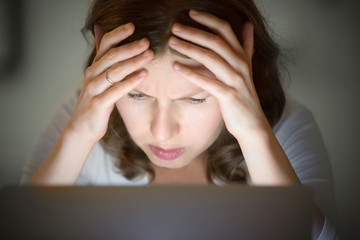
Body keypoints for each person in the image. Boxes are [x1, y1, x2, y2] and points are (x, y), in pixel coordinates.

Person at [21, 0, 338, 239]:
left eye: (194, 98)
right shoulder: (80, 122)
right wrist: (77, 136)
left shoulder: (286, 129)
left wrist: (254, 134)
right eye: (137, 95)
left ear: (244, 72)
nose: (162, 132)